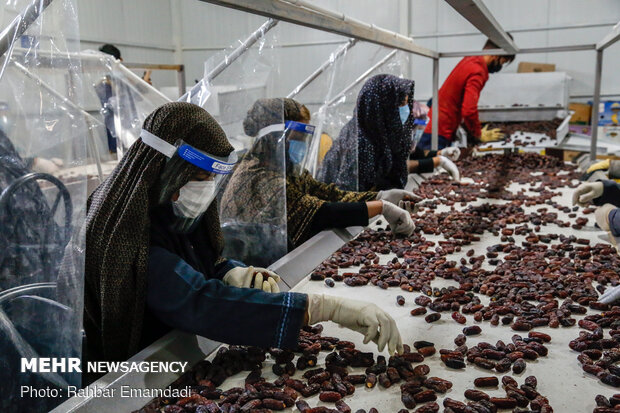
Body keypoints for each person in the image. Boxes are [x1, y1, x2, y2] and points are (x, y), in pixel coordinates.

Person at [77, 102, 403, 364]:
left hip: (178, 345)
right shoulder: (126, 231)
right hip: (138, 366)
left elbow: (200, 259)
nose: (205, 189)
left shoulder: (168, 205)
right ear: (167, 172)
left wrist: (230, 271)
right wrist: (323, 308)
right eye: (199, 177)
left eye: (210, 179)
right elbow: (199, 302)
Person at [220, 98, 416, 265]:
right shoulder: (258, 176)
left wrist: (380, 196)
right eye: (298, 137)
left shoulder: (287, 170)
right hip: (255, 271)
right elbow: (320, 212)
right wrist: (381, 207)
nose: (302, 144)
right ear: (276, 138)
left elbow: (327, 193)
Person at [320, 74, 420, 192]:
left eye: (407, 103)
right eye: (401, 104)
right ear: (383, 107)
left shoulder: (385, 134)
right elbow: (347, 195)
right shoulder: (360, 143)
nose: (405, 109)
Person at [418, 35, 516, 150]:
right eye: (502, 62)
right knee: (430, 165)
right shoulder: (478, 71)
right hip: (440, 130)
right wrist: (478, 134)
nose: (500, 66)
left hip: (433, 122)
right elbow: (469, 110)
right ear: (495, 55)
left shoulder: (471, 59)